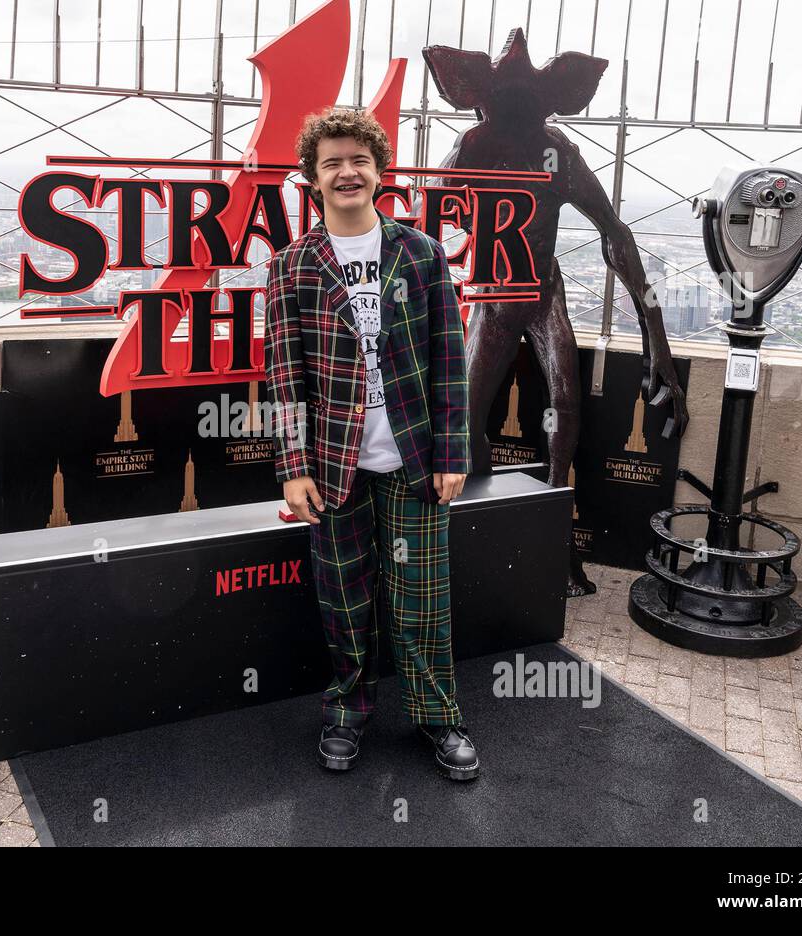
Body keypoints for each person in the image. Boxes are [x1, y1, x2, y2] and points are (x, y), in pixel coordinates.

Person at [263, 106, 479, 781]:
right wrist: (293, 466)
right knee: (344, 596)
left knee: (422, 595)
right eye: (332, 162)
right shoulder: (291, 267)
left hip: (414, 460)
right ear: (313, 179)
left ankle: (438, 716)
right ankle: (349, 711)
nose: (347, 171)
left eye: (359, 159)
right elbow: (283, 375)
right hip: (332, 466)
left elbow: (449, 359)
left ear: (380, 171)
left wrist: (452, 455)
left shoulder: (420, 254)